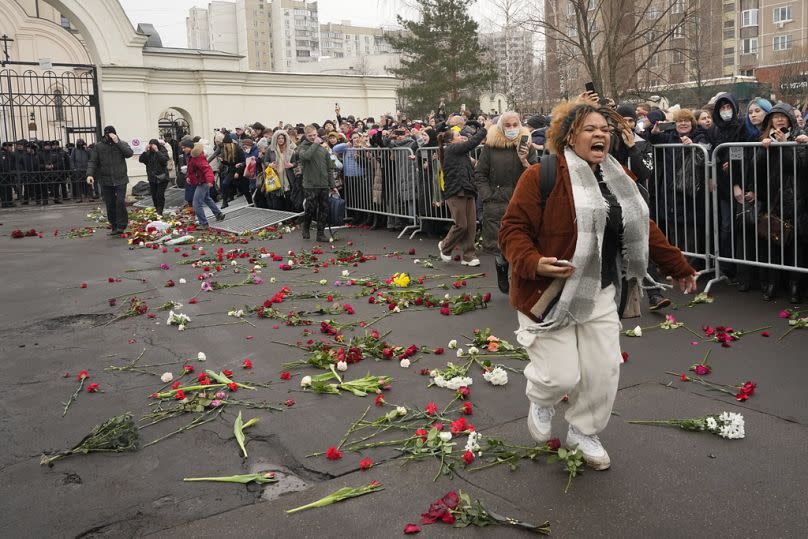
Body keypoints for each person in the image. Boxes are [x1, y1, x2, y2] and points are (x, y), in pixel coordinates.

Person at [499, 99, 697, 470]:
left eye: (605, 130)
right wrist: (534, 262)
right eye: (590, 129)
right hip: (548, 293)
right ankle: (543, 399)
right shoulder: (542, 175)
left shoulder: (618, 176)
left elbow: (643, 227)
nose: (600, 135)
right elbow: (512, 230)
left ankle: (583, 431)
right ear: (569, 135)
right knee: (560, 376)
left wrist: (678, 266)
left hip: (601, 289)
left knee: (603, 368)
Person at [475, 111, 537, 292]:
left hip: (522, 201)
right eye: (507, 125)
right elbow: (480, 174)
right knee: (501, 247)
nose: (511, 129)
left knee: (522, 245)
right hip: (497, 202)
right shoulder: (491, 147)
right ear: (501, 127)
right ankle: (502, 269)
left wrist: (525, 161)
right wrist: (488, 195)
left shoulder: (527, 146)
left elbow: (536, 174)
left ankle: (519, 280)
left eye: (514, 125)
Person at [754, 103, 808, 302]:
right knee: (773, 241)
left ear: (789, 119)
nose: (779, 119)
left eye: (782, 116)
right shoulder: (764, 138)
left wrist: (785, 143)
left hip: (796, 198)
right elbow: (756, 169)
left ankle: (795, 287)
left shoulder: (799, 138)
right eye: (775, 116)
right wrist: (764, 149)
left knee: (796, 244)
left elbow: (798, 165)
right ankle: (772, 283)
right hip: (773, 199)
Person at [437, 119, 491, 266]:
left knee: (471, 225)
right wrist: (484, 129)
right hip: (455, 192)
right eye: (458, 136)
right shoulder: (451, 149)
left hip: (468, 190)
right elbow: (471, 143)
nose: (461, 137)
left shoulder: (463, 155)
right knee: (461, 225)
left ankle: (469, 256)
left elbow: (476, 164)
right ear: (450, 141)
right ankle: (445, 246)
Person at [87, 126, 133, 236]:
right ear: (105, 135)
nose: (110, 136)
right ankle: (114, 225)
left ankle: (122, 225)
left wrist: (118, 142)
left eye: (112, 134)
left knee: (120, 202)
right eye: (108, 134)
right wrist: (89, 174)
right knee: (110, 203)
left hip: (121, 178)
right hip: (106, 179)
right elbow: (93, 161)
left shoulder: (122, 144)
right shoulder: (99, 146)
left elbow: (129, 154)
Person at [298, 125, 338, 242]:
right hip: (310, 184)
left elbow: (329, 168)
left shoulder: (322, 149)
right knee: (310, 209)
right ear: (306, 135)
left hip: (323, 184)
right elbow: (306, 157)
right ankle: (306, 226)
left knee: (324, 210)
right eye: (310, 136)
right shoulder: (302, 147)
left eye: (315, 135)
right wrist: (315, 144)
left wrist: (333, 185)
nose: (313, 137)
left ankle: (320, 234)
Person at [181, 139, 225, 230]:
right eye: (182, 148)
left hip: (203, 182)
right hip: (200, 181)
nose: (183, 150)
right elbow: (192, 170)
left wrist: (210, 181)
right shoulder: (191, 156)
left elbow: (206, 169)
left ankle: (203, 223)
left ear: (190, 147)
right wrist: (188, 177)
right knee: (207, 198)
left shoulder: (197, 156)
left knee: (196, 203)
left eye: (185, 147)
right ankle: (219, 214)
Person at [138, 139, 170, 215]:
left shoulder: (162, 150)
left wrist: (157, 151)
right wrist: (145, 151)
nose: (152, 147)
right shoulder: (148, 153)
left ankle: (160, 211)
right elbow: (141, 160)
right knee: (154, 195)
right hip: (152, 177)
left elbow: (164, 160)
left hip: (162, 177)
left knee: (160, 195)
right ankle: (157, 209)